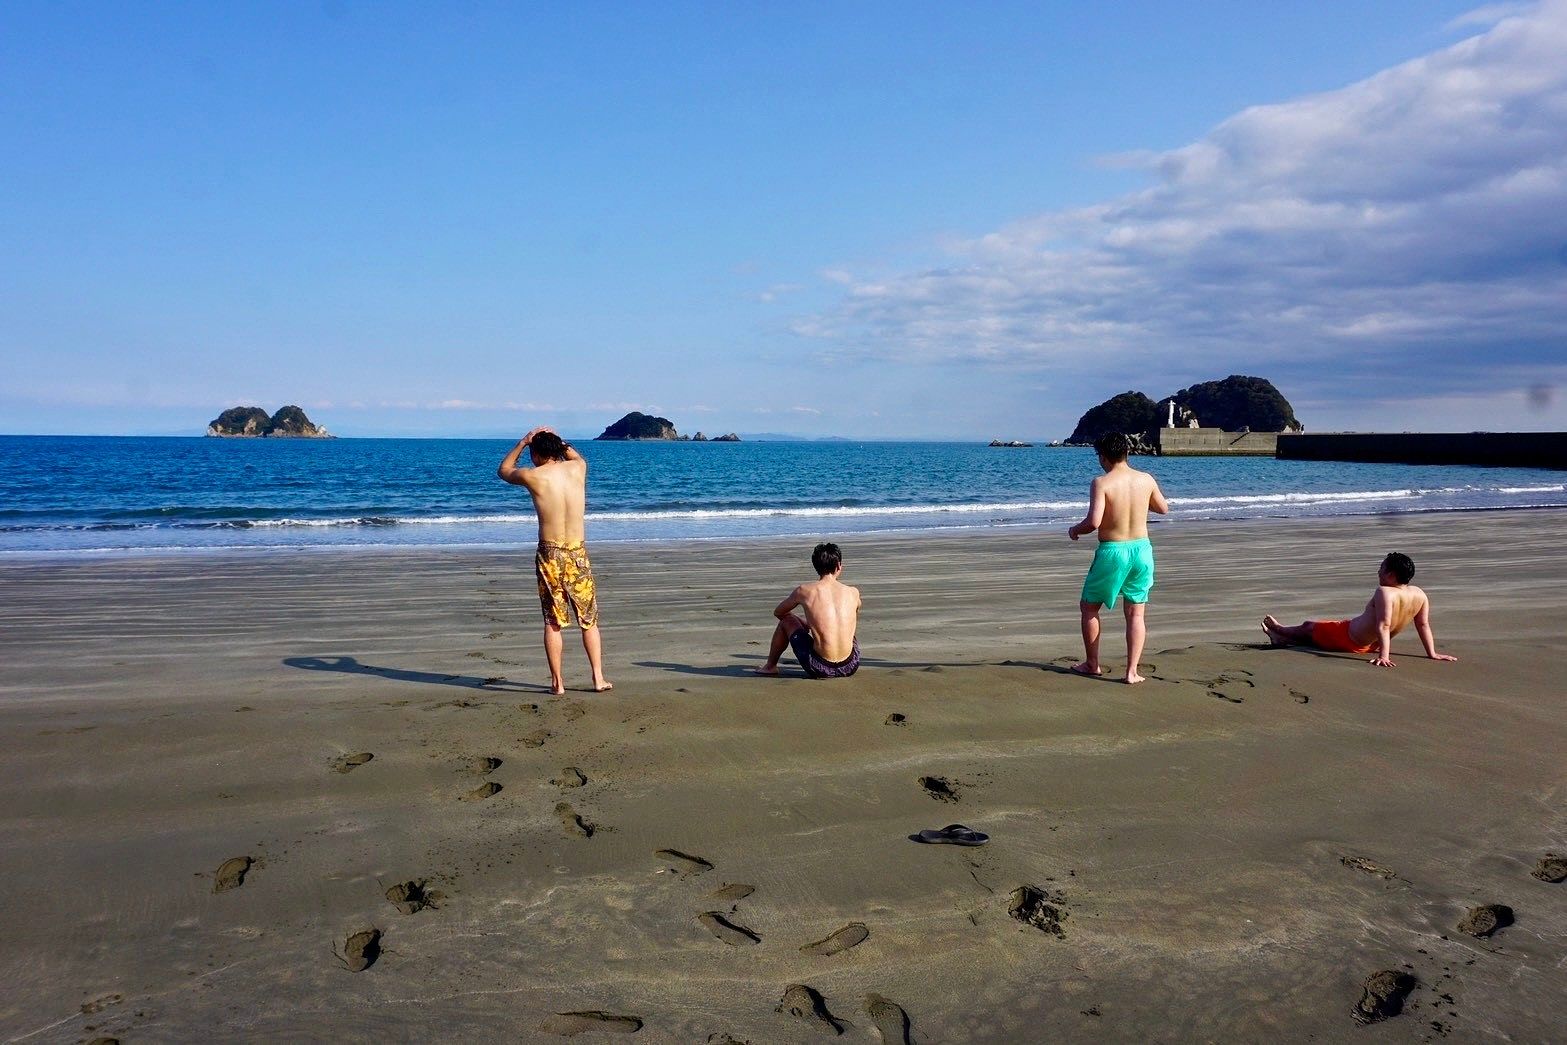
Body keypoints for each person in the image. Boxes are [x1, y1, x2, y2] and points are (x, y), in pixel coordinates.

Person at [497, 427, 612, 694]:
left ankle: (557, 683)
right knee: (589, 620)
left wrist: (523, 442)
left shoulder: (533, 475)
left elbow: (504, 470)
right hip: (577, 552)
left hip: (550, 553)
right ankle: (597, 678)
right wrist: (558, 440)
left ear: (535, 453)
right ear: (559, 449)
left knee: (552, 621)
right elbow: (575, 456)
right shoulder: (578, 468)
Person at [1067, 432, 1169, 684]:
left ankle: (1092, 664)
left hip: (1113, 551)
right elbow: (1162, 508)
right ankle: (1132, 672)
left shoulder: (1101, 483)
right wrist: (1139, 501)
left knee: (1089, 607)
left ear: (1103, 457)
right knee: (1135, 613)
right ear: (1127, 452)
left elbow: (1094, 522)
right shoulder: (1146, 479)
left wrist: (1075, 530)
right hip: (1142, 550)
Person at [1262, 552, 1458, 667]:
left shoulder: (1385, 592)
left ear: (1390, 575)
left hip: (1349, 638)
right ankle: (1282, 639)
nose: (1378, 571)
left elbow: (1384, 625)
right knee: (1318, 633)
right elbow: (1423, 625)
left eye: (1381, 568)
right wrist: (1432, 653)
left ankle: (1279, 630)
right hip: (1371, 644)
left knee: (1308, 627)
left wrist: (1384, 657)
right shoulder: (1419, 594)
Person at [755, 542, 862, 678]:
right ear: (839, 566)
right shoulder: (853, 592)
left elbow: (779, 612)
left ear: (816, 566)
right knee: (845, 625)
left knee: (787, 621)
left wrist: (801, 622)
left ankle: (770, 666)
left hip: (820, 667)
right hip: (850, 665)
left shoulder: (805, 591)